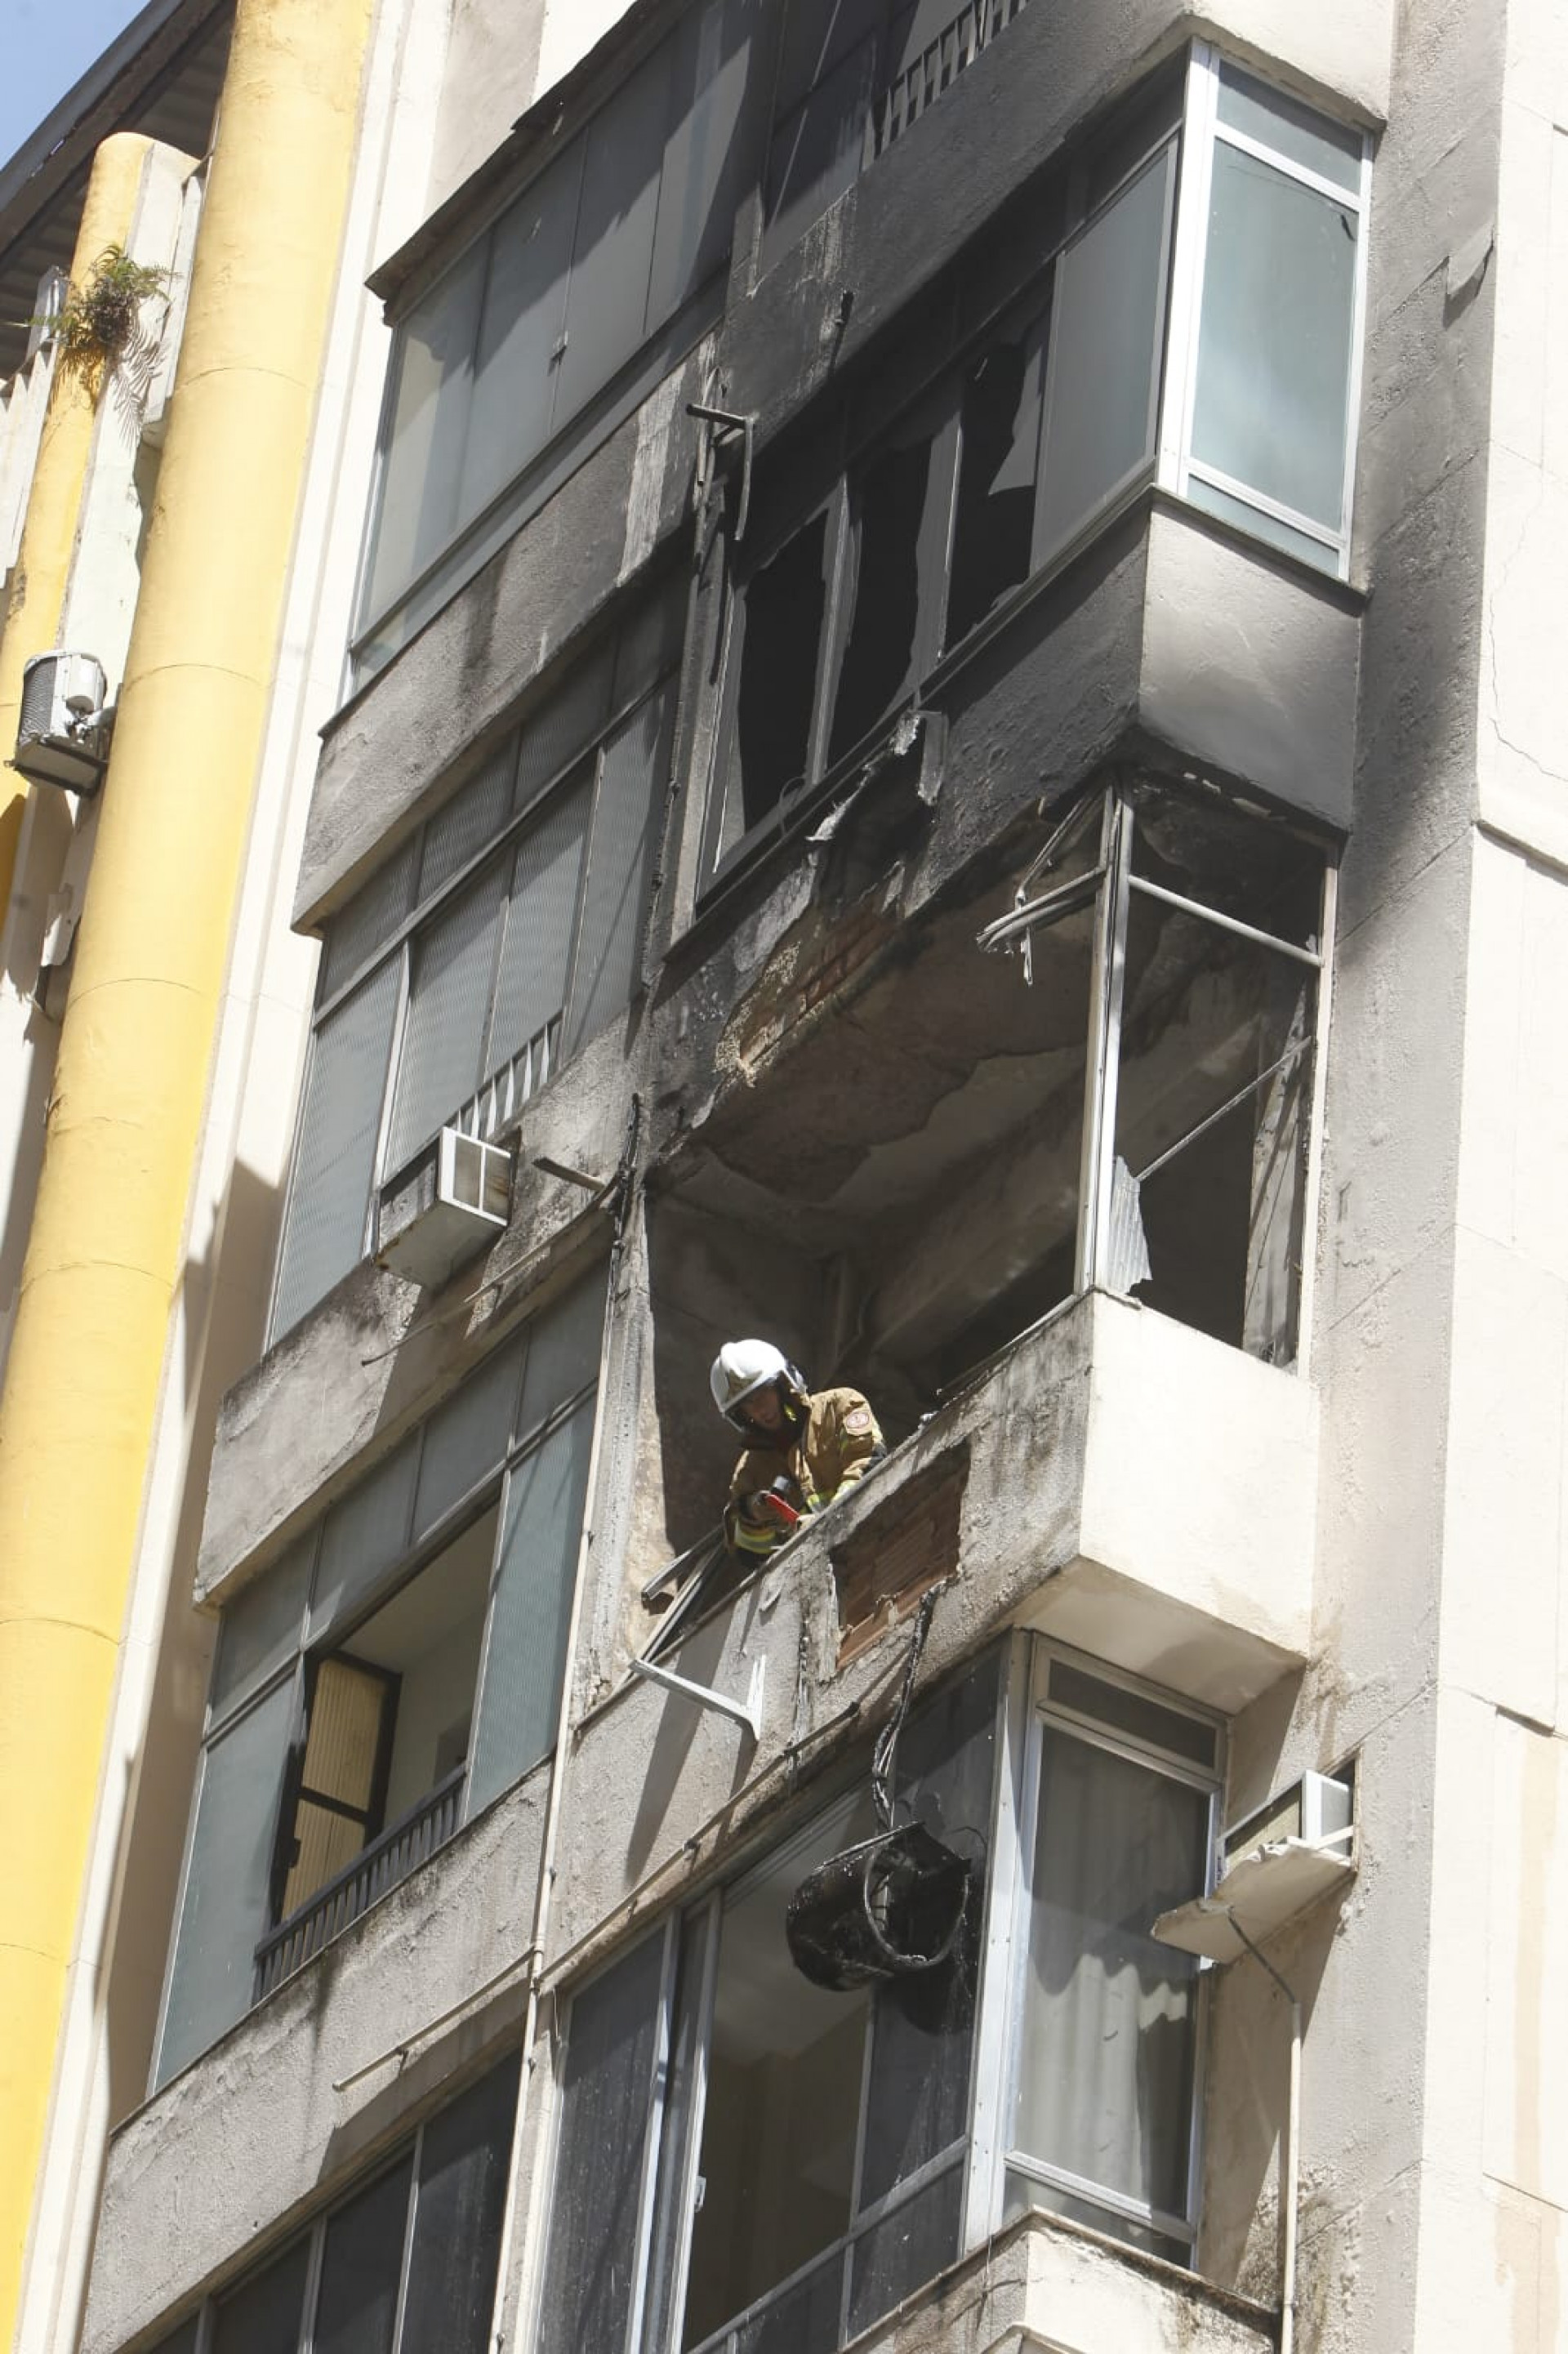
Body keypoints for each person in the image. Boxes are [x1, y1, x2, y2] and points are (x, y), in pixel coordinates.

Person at [710, 1339, 885, 1557]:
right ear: (740, 1415)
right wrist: (753, 1512)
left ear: (783, 1386)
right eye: (748, 1404)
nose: (760, 1409)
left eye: (763, 1392)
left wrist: (828, 1519)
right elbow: (749, 1554)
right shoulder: (751, 1469)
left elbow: (869, 1463)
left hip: (874, 1535)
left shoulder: (839, 1407)